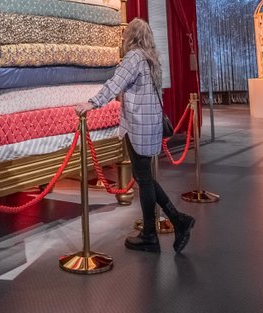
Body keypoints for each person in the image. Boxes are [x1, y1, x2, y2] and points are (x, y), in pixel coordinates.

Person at [75, 18, 195, 254]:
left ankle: (153, 233)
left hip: (138, 125)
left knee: (144, 178)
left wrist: (92, 103)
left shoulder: (134, 57)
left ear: (131, 36)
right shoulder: (152, 59)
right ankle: (176, 221)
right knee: (144, 177)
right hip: (150, 123)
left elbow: (115, 83)